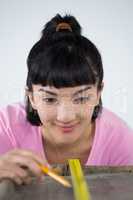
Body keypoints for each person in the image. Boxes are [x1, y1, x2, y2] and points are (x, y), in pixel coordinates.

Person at [0, 14, 133, 185]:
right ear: (31, 97)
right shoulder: (6, 128)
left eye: (82, 98)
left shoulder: (121, 142)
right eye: (49, 99)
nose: (65, 116)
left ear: (99, 93)